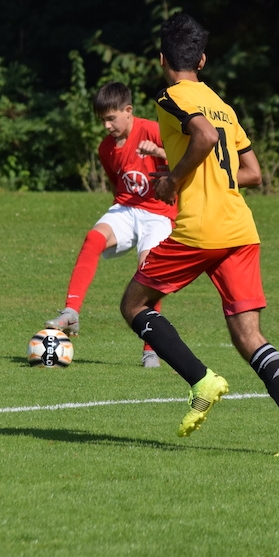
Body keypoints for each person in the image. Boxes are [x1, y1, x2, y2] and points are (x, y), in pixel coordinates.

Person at [118, 14, 279, 455]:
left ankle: (202, 381)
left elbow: (204, 136)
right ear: (203, 60)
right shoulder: (223, 105)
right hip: (240, 229)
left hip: (202, 229)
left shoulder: (170, 97)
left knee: (134, 305)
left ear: (162, 59)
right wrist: (206, 174)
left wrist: (174, 179)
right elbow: (253, 172)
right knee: (249, 336)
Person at [45, 82, 177, 368]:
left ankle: (150, 349)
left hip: (159, 213)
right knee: (93, 238)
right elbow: (117, 185)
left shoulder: (153, 130)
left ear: (128, 111)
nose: (106, 125)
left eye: (111, 118)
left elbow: (189, 159)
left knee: (149, 272)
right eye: (102, 120)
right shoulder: (106, 148)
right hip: (127, 208)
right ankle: (71, 311)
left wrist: (159, 151)